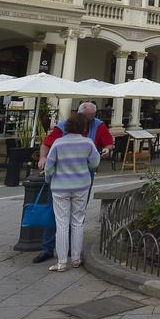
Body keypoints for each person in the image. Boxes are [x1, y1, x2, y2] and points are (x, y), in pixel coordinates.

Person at [32, 102, 114, 264]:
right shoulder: (62, 128)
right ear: (80, 116)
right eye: (88, 117)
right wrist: (43, 158)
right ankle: (50, 248)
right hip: (75, 177)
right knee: (58, 213)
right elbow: (46, 146)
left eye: (93, 116)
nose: (91, 119)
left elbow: (108, 143)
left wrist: (107, 148)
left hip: (69, 178)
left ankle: (67, 252)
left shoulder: (98, 126)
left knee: (72, 216)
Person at [43, 112, 100, 272]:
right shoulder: (88, 143)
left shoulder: (58, 143)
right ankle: (76, 258)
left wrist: (49, 179)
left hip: (60, 186)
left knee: (61, 223)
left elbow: (49, 166)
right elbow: (94, 162)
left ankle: (62, 261)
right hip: (81, 185)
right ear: (84, 128)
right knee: (78, 221)